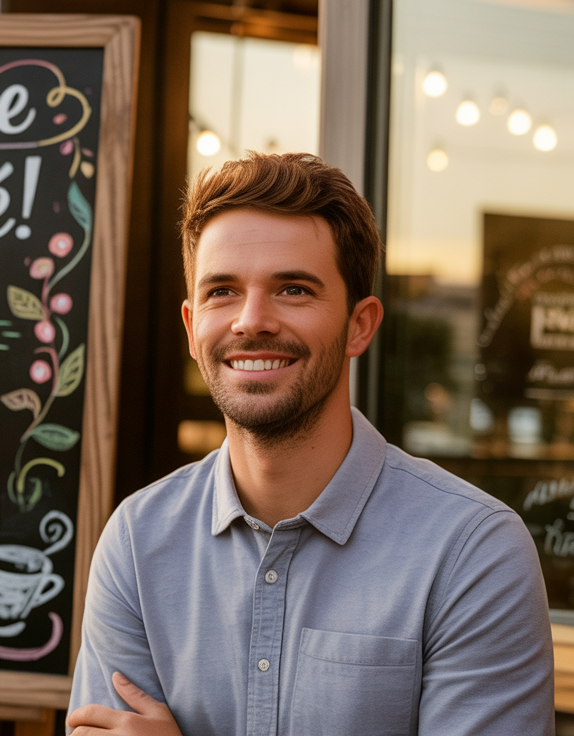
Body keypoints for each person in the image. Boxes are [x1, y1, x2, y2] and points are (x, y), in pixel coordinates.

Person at [66, 152, 554, 736]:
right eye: (222, 291)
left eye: (293, 289)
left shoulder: (472, 553)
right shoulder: (137, 542)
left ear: (360, 325)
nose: (251, 320)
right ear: (193, 328)